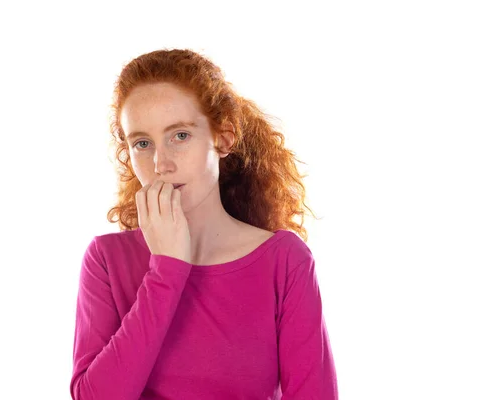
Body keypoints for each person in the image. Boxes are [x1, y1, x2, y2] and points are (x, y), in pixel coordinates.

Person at [70, 48, 338, 399]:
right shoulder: (106, 260)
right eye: (143, 143)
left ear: (222, 138)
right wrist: (167, 270)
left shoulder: (284, 261)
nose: (161, 163)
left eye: (180, 135)